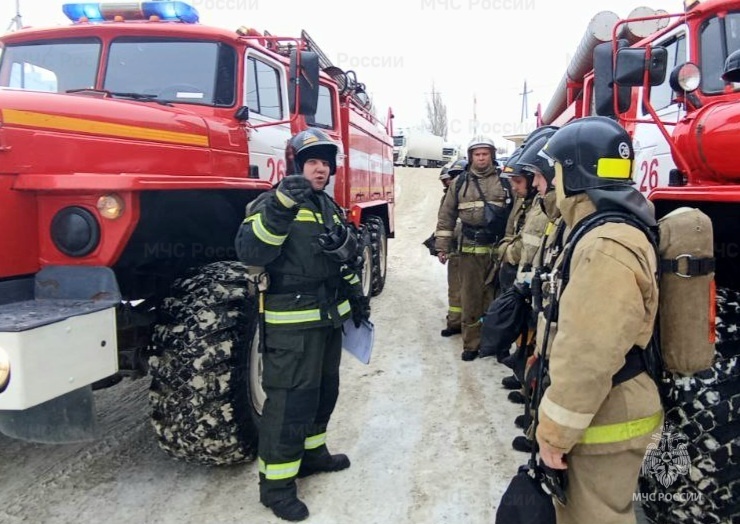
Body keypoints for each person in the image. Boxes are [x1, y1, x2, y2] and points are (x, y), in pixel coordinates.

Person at [234, 128, 370, 522]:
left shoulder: (327, 206)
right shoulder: (273, 202)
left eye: (326, 164)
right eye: (313, 162)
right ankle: (275, 486)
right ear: (297, 165)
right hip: (291, 324)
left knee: (324, 392)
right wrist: (278, 208)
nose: (321, 169)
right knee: (290, 402)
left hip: (326, 319)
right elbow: (250, 250)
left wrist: (354, 296)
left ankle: (313, 454)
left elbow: (338, 261)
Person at [533, 117, 662, 523]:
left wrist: (554, 434)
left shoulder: (605, 245)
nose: (552, 185)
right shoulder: (607, 231)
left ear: (574, 173)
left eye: (555, 173)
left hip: (604, 421)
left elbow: (588, 353)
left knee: (596, 516)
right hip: (605, 412)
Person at [435, 135, 511, 361]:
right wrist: (442, 246)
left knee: (495, 300)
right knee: (470, 299)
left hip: (496, 251)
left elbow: (514, 216)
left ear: (492, 156)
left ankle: (492, 343)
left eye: (485, 154)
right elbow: (446, 215)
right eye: (477, 154)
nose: (481, 158)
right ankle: (471, 345)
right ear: (470, 157)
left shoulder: (504, 182)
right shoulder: (460, 183)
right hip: (468, 251)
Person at [439, 159, 468, 337]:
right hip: (456, 250)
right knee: (455, 289)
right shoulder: (448, 196)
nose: (452, 181)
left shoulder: (472, 192)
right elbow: (444, 222)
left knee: (472, 291)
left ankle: (469, 325)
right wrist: (442, 247)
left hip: (473, 250)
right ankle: (455, 322)